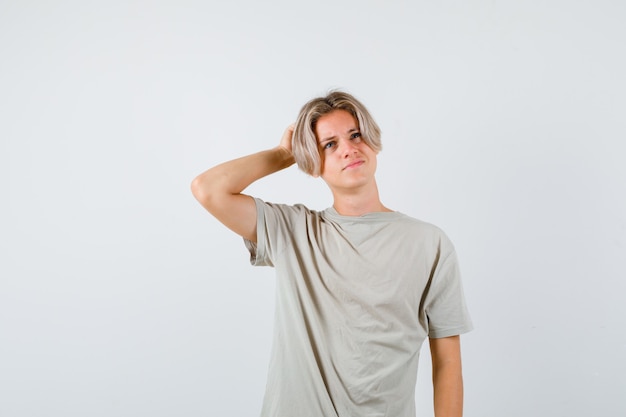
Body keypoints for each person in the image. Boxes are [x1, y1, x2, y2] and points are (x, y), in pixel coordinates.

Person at [191, 91, 473, 417]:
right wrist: (284, 153)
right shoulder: (292, 231)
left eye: (355, 135)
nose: (348, 149)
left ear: (373, 141)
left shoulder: (429, 243)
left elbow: (448, 360)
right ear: (313, 163)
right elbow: (207, 189)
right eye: (330, 144)